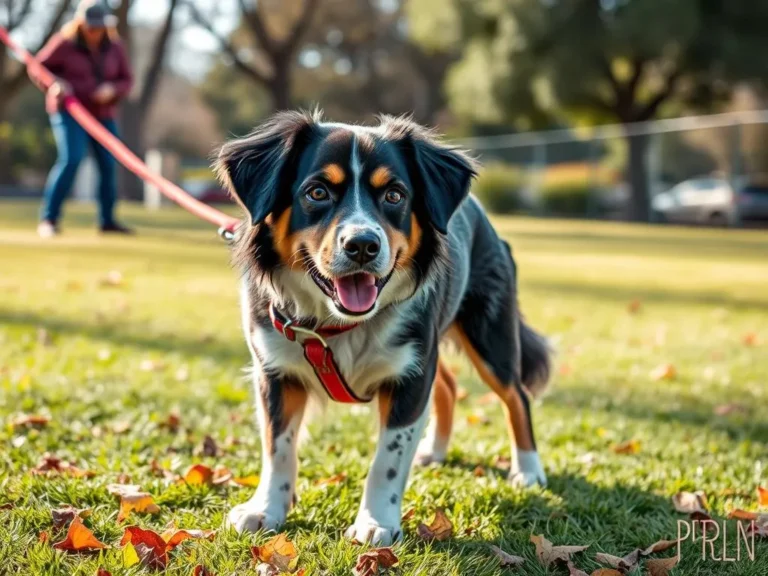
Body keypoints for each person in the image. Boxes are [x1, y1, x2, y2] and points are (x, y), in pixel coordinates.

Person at [32, 0, 134, 238]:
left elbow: (126, 80)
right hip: (70, 112)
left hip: (103, 115)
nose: (95, 33)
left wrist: (112, 89)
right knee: (71, 159)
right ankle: (49, 219)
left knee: (108, 165)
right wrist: (54, 83)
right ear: (80, 24)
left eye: (99, 27)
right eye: (91, 27)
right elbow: (38, 68)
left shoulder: (115, 47)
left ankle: (107, 221)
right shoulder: (64, 44)